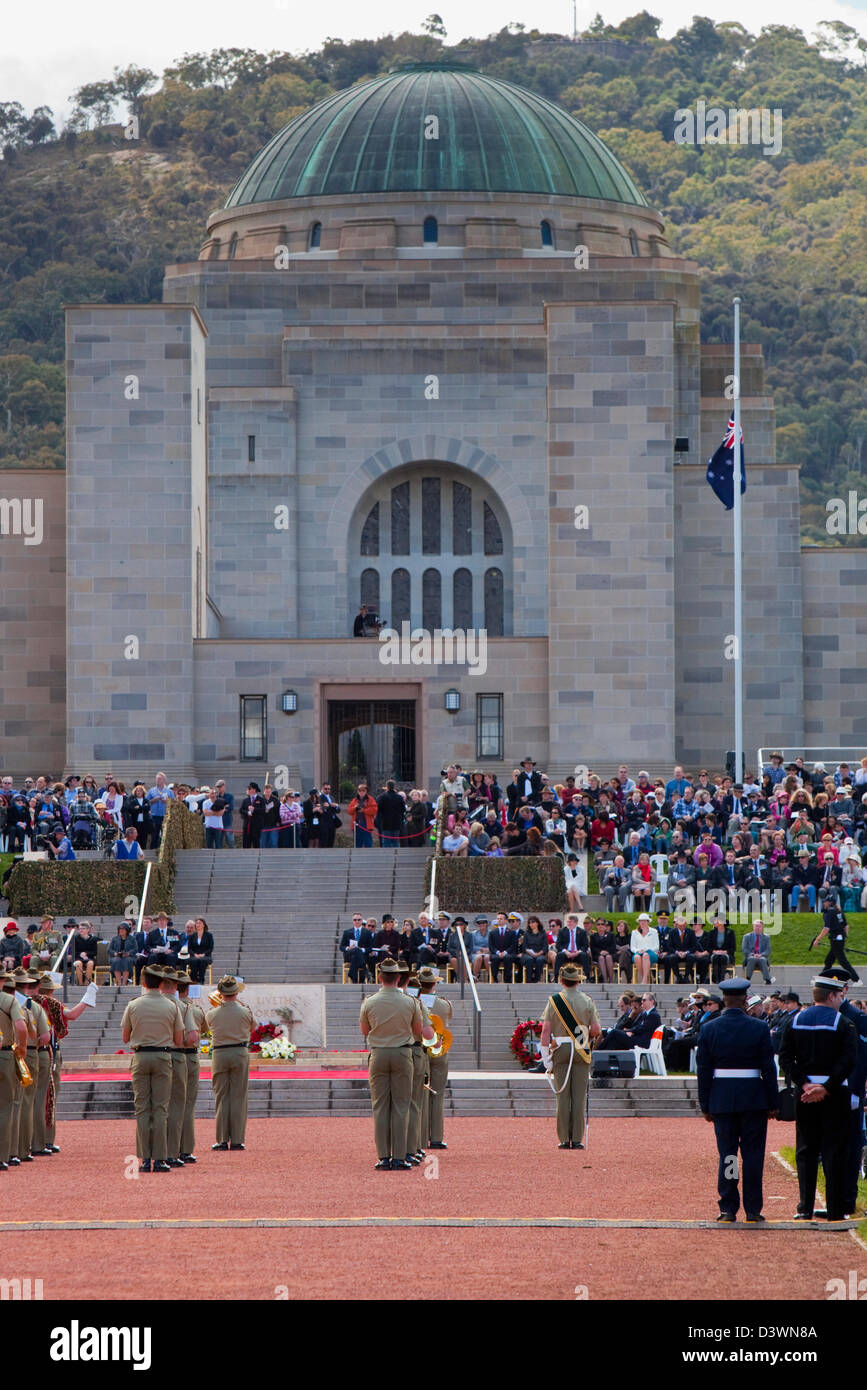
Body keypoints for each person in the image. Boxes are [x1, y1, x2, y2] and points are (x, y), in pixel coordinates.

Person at [696, 977, 780, 1223]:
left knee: (729, 1155)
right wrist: (773, 1102)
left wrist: (705, 1104)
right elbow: (768, 1068)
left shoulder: (710, 1028)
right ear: (745, 1000)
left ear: (724, 1000)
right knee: (753, 1156)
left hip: (722, 1099)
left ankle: (728, 1207)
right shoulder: (759, 1028)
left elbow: (703, 1070)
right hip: (754, 1098)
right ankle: (753, 1209)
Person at [779, 974, 859, 1220]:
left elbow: (784, 1058)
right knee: (834, 1150)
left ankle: (805, 1207)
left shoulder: (795, 1020)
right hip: (834, 1093)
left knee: (806, 1149)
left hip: (804, 1094)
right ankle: (835, 1209)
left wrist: (804, 1084)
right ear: (833, 996)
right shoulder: (844, 1023)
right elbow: (848, 1061)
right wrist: (826, 1087)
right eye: (839, 996)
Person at [360, 958, 424, 1170]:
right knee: (401, 1105)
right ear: (398, 977)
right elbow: (417, 1030)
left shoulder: (369, 1002)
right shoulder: (410, 1002)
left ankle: (383, 1156)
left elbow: (365, 1030)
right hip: (402, 1053)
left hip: (378, 1054)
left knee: (380, 1106)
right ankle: (398, 1156)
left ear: (380, 977)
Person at [121, 965, 184, 1172]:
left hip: (140, 1056)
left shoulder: (134, 1005)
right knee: (160, 1108)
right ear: (162, 983)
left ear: (144, 983)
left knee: (142, 1108)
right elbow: (179, 1039)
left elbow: (125, 1037)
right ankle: (159, 1158)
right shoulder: (171, 1006)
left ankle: (145, 1158)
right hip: (163, 1056)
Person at [540, 964, 601, 1149]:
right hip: (580, 1047)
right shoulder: (587, 1000)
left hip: (560, 1048)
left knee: (563, 1096)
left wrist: (545, 1058)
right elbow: (596, 1030)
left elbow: (545, 1032)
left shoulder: (554, 1001)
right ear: (577, 981)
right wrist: (584, 1037)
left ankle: (564, 1139)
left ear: (561, 980)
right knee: (579, 1095)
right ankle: (577, 1139)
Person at [206, 975, 254, 1151]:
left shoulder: (212, 1013)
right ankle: (237, 1140)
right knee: (239, 1096)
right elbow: (253, 1026)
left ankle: (221, 1139)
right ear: (236, 992)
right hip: (239, 1052)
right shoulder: (245, 1011)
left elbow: (207, 1026)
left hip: (220, 1053)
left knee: (221, 1096)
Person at [418, 966, 453, 1150]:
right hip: (439, 1049)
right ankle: (437, 1136)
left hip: (422, 1049)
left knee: (422, 1094)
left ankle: (422, 1137)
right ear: (433, 985)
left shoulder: (414, 1002)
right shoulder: (444, 1004)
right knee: (437, 1094)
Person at [176, 971, 207, 1163]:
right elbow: (202, 1030)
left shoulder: (169, 1007)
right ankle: (185, 1149)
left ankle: (169, 1148)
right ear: (187, 988)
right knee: (187, 1105)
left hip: (172, 1056)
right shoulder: (194, 1010)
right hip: (189, 1057)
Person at [0, 970, 27, 1171]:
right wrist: (23, 1047)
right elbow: (21, 1027)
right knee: (6, 1107)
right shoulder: (9, 1001)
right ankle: (3, 1155)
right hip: (5, 1055)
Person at [814, 901, 859, 982]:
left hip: (835, 940)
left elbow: (826, 929)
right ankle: (822, 979)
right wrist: (844, 937)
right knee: (829, 961)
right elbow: (846, 926)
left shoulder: (829, 913)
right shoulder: (839, 911)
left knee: (843, 962)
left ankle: (856, 980)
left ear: (829, 903)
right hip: (840, 939)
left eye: (825, 902)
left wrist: (817, 939)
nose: (824, 903)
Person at [553, 916, 591, 981]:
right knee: (559, 955)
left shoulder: (582, 932)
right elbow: (558, 945)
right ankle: (556, 977)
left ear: (576, 923)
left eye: (570, 922)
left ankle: (587, 976)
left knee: (584, 955)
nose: (568, 923)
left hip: (578, 953)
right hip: (566, 953)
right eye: (568, 922)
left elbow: (585, 945)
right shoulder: (562, 931)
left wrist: (578, 952)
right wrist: (566, 951)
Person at [340, 914, 373, 983]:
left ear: (362, 921)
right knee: (356, 950)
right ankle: (365, 971)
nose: (357, 921)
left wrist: (362, 950)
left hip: (362, 956)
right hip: (349, 954)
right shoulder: (346, 932)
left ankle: (353, 975)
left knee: (357, 953)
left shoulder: (367, 933)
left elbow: (370, 948)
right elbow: (341, 947)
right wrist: (348, 948)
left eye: (359, 920)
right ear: (353, 921)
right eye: (355, 920)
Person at [145, 772, 175, 847]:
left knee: (165, 834)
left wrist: (167, 801)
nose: (157, 780)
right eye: (157, 779)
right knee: (154, 834)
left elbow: (174, 803)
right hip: (154, 815)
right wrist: (154, 800)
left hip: (165, 815)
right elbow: (145, 802)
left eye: (159, 779)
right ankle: (153, 848)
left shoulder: (169, 791)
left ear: (164, 780)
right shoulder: (151, 790)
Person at [181, 917, 214, 984]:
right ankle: (194, 979)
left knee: (202, 960)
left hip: (205, 955)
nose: (198, 925)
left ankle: (201, 979)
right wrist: (194, 954)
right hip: (194, 955)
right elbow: (189, 948)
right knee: (194, 960)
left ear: (203, 925)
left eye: (199, 923)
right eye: (197, 923)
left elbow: (211, 948)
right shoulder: (192, 935)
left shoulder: (209, 935)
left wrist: (203, 954)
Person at [630, 914, 659, 986]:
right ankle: (644, 977)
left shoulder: (654, 931)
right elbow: (632, 947)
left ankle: (644, 979)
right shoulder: (634, 932)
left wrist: (646, 950)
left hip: (651, 952)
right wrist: (638, 950)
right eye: (641, 921)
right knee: (637, 957)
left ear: (648, 922)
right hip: (638, 952)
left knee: (645, 955)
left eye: (644, 921)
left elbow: (656, 946)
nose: (642, 923)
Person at [742, 919, 773, 984]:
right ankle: (748, 978)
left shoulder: (766, 937)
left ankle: (767, 979)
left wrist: (761, 955)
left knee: (762, 960)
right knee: (752, 959)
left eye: (759, 926)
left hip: (761, 956)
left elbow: (768, 950)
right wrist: (753, 954)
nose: (758, 928)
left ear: (762, 928)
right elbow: (744, 949)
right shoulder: (747, 937)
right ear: (753, 927)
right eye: (756, 926)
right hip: (751, 956)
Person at [348, 783, 377, 848]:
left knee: (368, 843)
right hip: (356, 824)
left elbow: (374, 810)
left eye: (363, 790)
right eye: (359, 790)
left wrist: (364, 810)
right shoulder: (354, 800)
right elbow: (349, 811)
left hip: (366, 824)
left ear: (366, 791)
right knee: (357, 844)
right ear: (357, 791)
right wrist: (355, 808)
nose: (361, 792)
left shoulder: (370, 799)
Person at [521, 917, 549, 984]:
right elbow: (524, 947)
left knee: (540, 959)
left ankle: (537, 979)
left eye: (533, 922)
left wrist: (538, 953)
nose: (531, 924)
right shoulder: (526, 934)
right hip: (528, 954)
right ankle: (529, 979)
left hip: (540, 953)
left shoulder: (543, 933)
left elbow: (545, 947)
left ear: (537, 923)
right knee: (529, 959)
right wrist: (530, 953)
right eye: (529, 923)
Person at [239, 783, 265, 849]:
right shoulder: (245, 800)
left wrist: (254, 809)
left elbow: (263, 810)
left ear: (254, 790)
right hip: (247, 826)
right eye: (248, 789)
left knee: (256, 844)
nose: (248, 790)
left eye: (250, 789)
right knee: (246, 844)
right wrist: (247, 812)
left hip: (256, 826)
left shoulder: (261, 799)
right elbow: (241, 810)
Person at [72, 921, 98, 985]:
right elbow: (73, 952)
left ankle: (86, 982)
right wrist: (80, 954)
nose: (81, 930)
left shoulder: (93, 939)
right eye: (80, 928)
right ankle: (80, 983)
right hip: (78, 957)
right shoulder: (75, 938)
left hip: (89, 958)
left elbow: (95, 952)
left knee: (90, 963)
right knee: (78, 963)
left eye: (83, 928)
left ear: (88, 930)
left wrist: (86, 954)